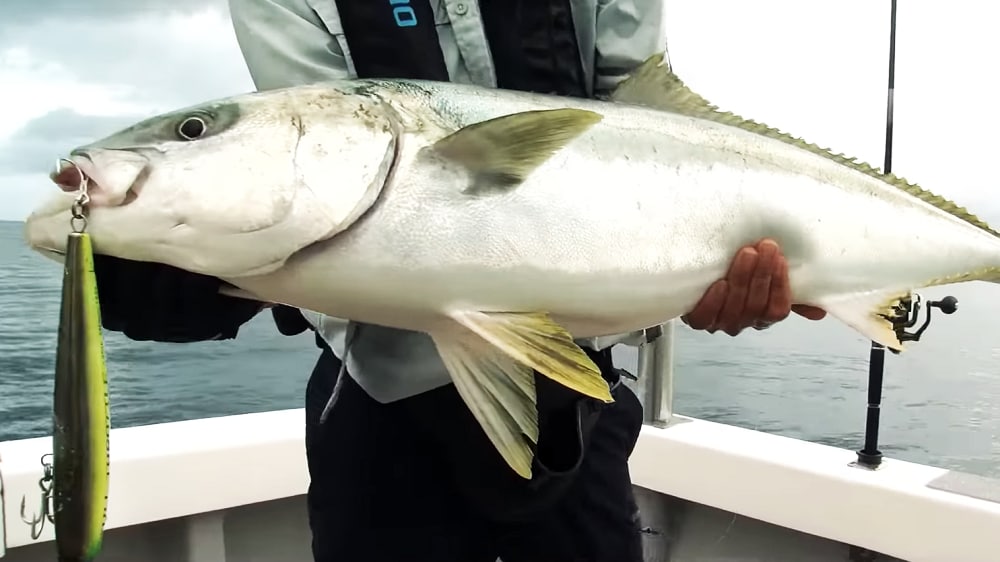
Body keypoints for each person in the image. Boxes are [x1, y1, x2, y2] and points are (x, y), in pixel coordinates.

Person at [93, 1, 827, 560]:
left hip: (574, 406)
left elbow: (643, 117)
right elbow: (318, 161)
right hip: (380, 411)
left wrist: (704, 272)